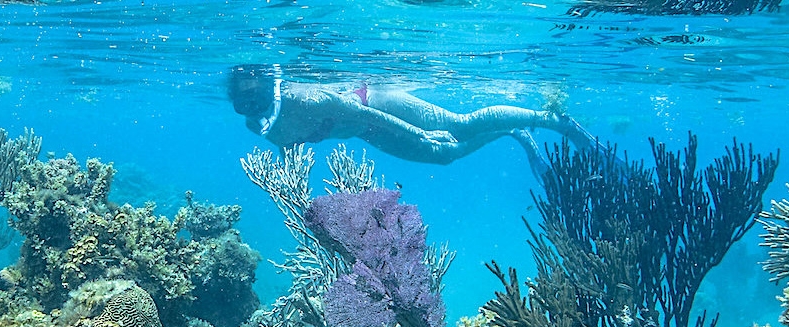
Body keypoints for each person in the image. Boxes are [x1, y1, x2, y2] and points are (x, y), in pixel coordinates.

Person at [227, 64, 598, 165]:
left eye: (252, 92)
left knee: (458, 126)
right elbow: (287, 144)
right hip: (365, 131)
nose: (249, 103)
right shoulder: (258, 126)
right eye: (240, 98)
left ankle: (551, 119)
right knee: (445, 158)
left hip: (379, 106)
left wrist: (419, 134)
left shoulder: (308, 100)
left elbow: (364, 113)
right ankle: (510, 131)